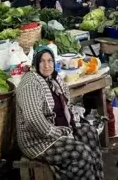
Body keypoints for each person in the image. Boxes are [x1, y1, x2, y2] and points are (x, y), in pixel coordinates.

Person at [16, 47, 104, 180]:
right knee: (81, 153)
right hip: (38, 140)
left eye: (50, 61)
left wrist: (72, 124)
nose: (47, 65)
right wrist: (57, 134)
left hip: (60, 128)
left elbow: (66, 106)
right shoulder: (30, 84)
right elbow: (33, 119)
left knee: (90, 133)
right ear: (35, 63)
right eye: (42, 61)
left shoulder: (54, 80)